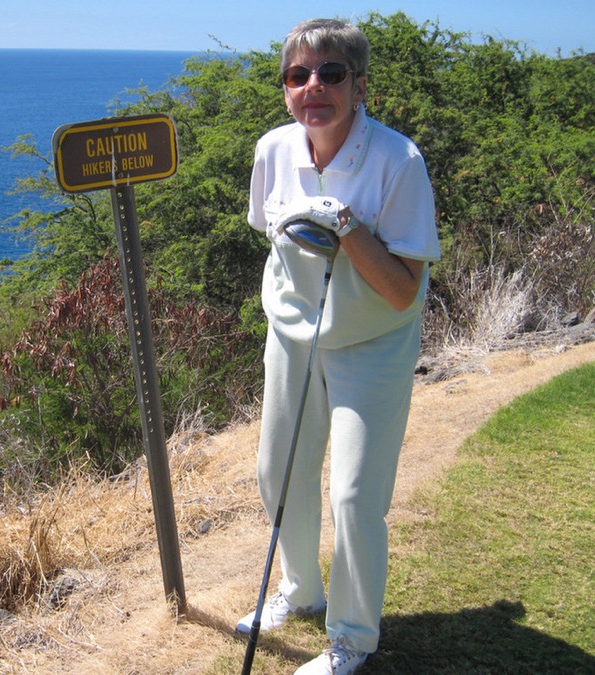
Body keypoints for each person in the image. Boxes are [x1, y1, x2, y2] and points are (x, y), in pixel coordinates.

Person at [237, 18, 441, 674]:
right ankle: (300, 589)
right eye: (298, 75)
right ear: (286, 88)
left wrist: (346, 227)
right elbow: (268, 237)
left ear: (360, 85)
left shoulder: (397, 161)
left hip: (372, 341)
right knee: (281, 471)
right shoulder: (272, 150)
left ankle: (351, 637)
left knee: (354, 495)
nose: (313, 86)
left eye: (331, 72)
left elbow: (402, 292)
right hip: (293, 334)